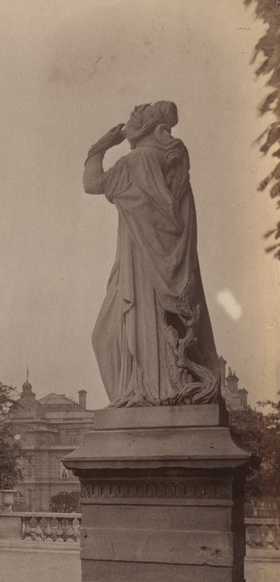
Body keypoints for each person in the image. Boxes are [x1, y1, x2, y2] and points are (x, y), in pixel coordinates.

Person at [83, 101, 220, 407]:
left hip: (141, 268)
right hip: (158, 266)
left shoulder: (139, 159)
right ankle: (156, 388)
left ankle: (147, 391)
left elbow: (91, 183)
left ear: (143, 127)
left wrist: (100, 147)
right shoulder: (169, 162)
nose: (129, 119)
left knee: (104, 336)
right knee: (110, 335)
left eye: (134, 116)